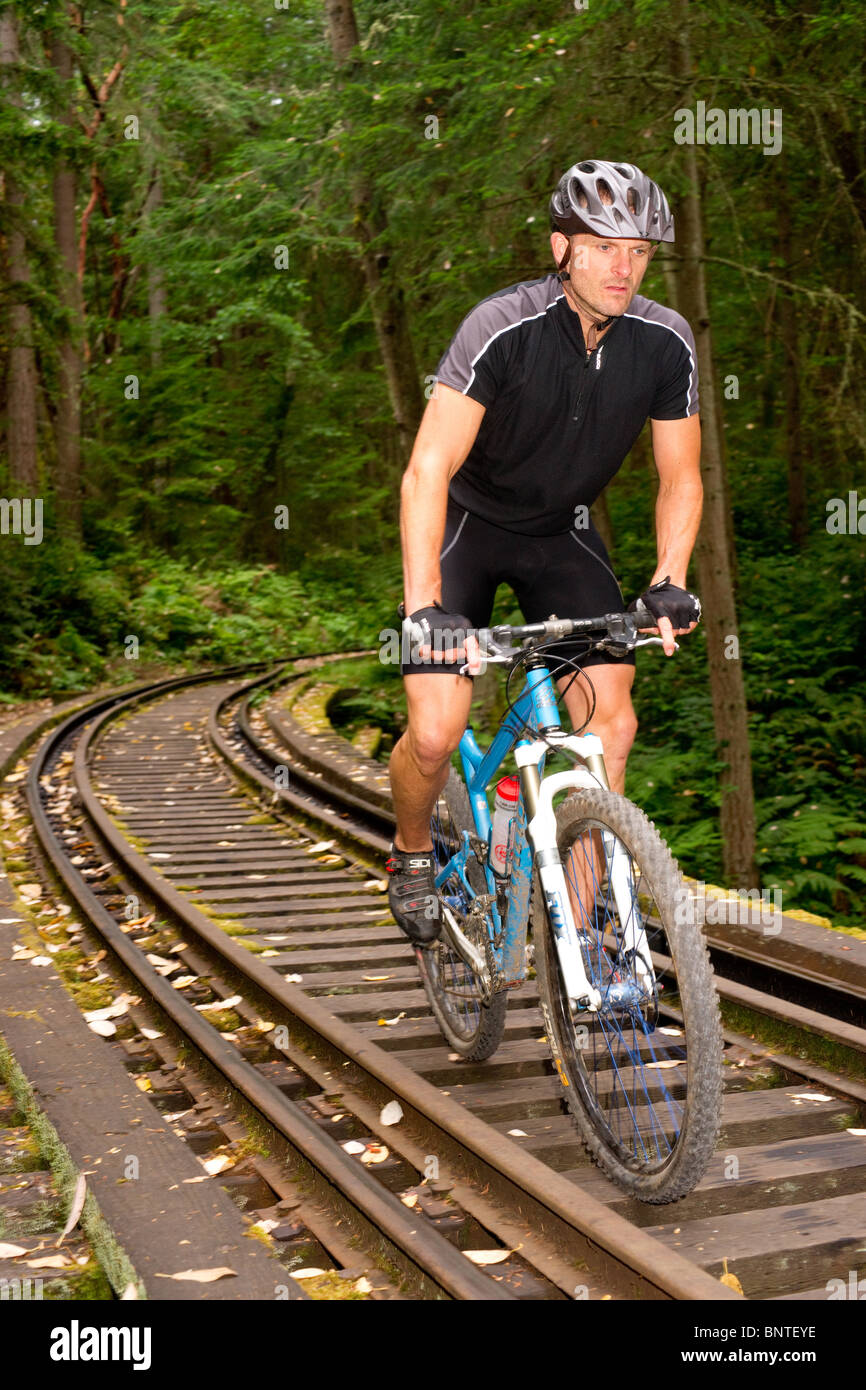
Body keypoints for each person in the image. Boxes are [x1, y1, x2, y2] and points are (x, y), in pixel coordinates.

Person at [385, 159, 702, 946]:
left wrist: (670, 580)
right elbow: (427, 470)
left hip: (563, 536)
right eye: (602, 247)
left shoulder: (666, 343)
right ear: (564, 249)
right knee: (433, 730)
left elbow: (681, 477)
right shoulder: (502, 328)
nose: (622, 266)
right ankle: (413, 852)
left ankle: (592, 930)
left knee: (612, 727)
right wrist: (425, 605)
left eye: (638, 249)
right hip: (467, 529)